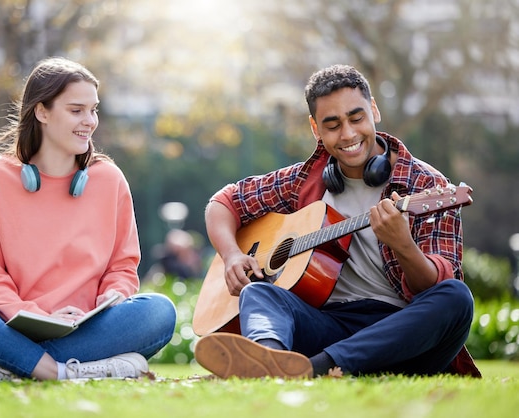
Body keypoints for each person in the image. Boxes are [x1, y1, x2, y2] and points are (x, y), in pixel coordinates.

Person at [194, 64, 480, 379]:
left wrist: (403, 245)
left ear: (374, 110)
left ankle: (310, 368)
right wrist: (232, 254)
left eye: (356, 118)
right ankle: (269, 358)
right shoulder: (304, 181)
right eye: (332, 125)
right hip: (326, 324)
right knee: (259, 292)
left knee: (456, 297)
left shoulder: (424, 184)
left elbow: (435, 284)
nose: (347, 134)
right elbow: (224, 202)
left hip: (400, 335)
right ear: (315, 128)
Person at [0, 57, 176, 381]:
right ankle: (61, 371)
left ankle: (7, 368)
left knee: (159, 312)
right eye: (76, 110)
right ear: (42, 112)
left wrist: (115, 294)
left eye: (93, 110)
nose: (90, 121)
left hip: (86, 330)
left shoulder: (109, 180)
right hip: (9, 327)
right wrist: (37, 315)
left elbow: (122, 266)